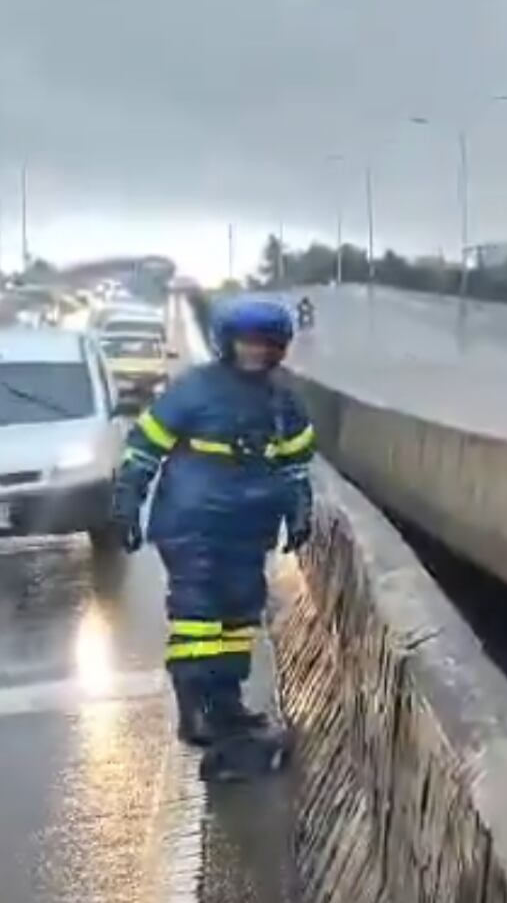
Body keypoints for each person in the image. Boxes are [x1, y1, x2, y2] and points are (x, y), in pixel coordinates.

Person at [110, 297, 315, 747]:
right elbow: (144, 448)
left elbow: (296, 464)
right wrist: (128, 501)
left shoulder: (284, 400)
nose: (256, 352)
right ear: (228, 343)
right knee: (199, 617)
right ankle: (194, 711)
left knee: (239, 616)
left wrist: (299, 509)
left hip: (249, 527)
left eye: (266, 344)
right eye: (247, 343)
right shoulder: (194, 390)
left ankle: (226, 705)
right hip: (194, 522)